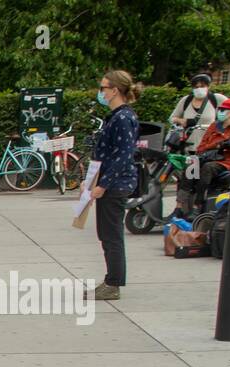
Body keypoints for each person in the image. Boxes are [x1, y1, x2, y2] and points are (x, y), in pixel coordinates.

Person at [87, 70, 141, 302]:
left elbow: (123, 155)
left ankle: (114, 283)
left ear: (115, 90)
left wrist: (103, 184)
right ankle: (111, 280)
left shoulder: (122, 118)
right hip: (111, 181)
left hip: (115, 184)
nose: (101, 92)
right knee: (107, 233)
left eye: (104, 88)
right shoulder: (118, 116)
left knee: (111, 235)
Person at [192, 97, 230, 210]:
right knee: (190, 167)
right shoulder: (214, 126)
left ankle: (197, 205)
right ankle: (180, 206)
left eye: (224, 110)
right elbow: (201, 148)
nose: (220, 112)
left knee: (208, 168)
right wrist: (217, 145)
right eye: (220, 109)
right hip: (213, 158)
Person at [171, 73, 226, 150]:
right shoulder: (186, 100)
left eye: (202, 86)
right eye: (196, 87)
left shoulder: (217, 99)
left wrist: (219, 127)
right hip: (187, 145)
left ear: (208, 86)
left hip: (208, 146)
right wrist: (181, 121)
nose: (199, 89)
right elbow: (172, 118)